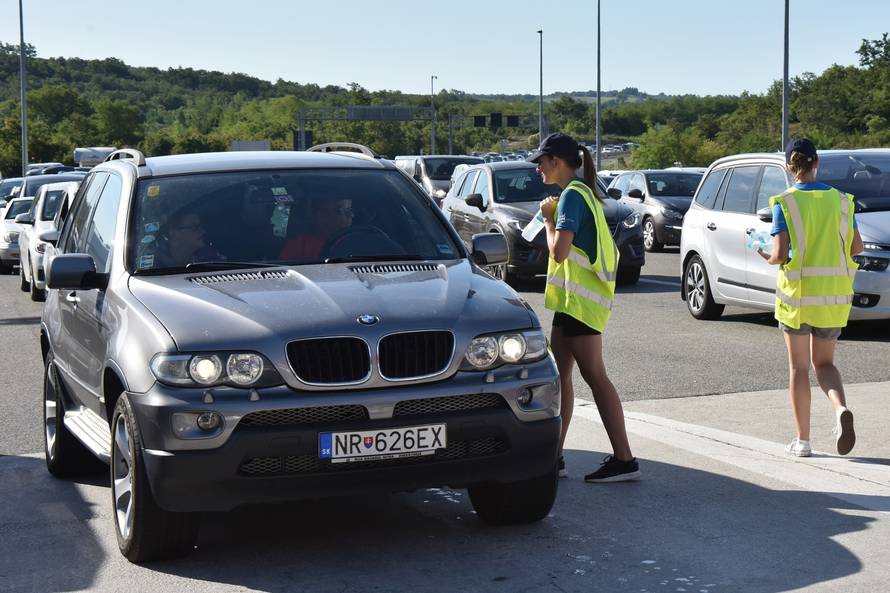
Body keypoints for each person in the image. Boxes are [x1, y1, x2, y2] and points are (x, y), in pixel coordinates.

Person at [530, 133, 640, 483]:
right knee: (560, 378)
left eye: (541, 162)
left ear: (557, 162)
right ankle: (555, 455)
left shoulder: (573, 197)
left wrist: (548, 218)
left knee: (595, 376)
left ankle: (625, 459)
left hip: (581, 304)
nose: (537, 168)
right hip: (571, 303)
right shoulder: (581, 193)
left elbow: (558, 251)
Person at [758, 138, 863, 458]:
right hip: (833, 298)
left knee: (799, 369)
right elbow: (856, 248)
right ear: (818, 163)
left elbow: (778, 254)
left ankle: (802, 441)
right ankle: (840, 408)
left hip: (797, 298)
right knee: (825, 364)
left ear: (790, 168)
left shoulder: (785, 203)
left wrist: (765, 254)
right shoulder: (843, 201)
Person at [280, 198, 353, 260]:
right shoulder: (298, 245)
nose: (351, 215)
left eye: (349, 211)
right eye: (340, 211)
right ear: (318, 215)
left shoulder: (356, 242)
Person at [154, 211, 223, 267]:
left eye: (200, 226)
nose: (202, 231)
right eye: (195, 227)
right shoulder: (152, 264)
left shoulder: (211, 259)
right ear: (173, 231)